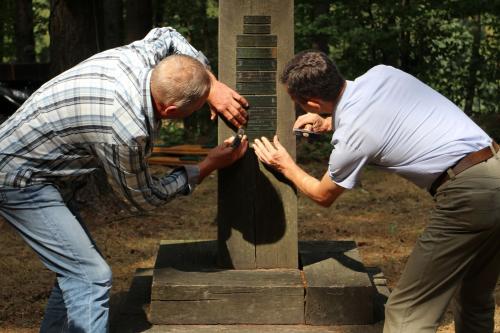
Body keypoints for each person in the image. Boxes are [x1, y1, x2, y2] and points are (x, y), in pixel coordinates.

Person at [0, 27, 248, 332]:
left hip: (36, 166)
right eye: (197, 108)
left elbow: (168, 34)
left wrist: (210, 83)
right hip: (18, 178)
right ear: (170, 110)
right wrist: (207, 165)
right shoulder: (126, 130)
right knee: (90, 277)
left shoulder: (140, 58)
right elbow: (141, 198)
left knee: (75, 273)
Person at [253, 50, 499, 333]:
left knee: (407, 312)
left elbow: (323, 195)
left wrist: (284, 165)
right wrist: (328, 121)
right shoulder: (382, 74)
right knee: (474, 295)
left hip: (470, 196)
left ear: (311, 102)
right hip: (495, 167)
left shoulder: (353, 138)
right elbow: (383, 115)